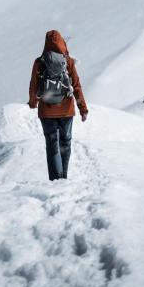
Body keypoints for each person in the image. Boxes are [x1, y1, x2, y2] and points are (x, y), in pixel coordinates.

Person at [28, 30, 88, 180]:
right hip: (66, 111)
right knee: (65, 142)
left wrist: (33, 103)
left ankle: (56, 178)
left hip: (46, 111)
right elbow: (76, 86)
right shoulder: (68, 61)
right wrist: (83, 109)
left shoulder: (39, 62)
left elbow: (33, 85)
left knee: (52, 143)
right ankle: (64, 177)